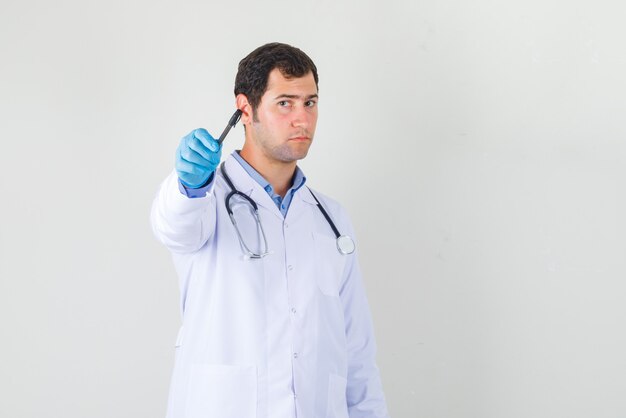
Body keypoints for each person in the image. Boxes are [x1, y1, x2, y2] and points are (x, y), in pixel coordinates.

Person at [151, 42, 389, 418]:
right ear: (245, 109)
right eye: (285, 103)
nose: (302, 120)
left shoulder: (331, 220)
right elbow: (174, 227)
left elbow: (357, 353)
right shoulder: (206, 201)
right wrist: (190, 185)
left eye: (310, 103)